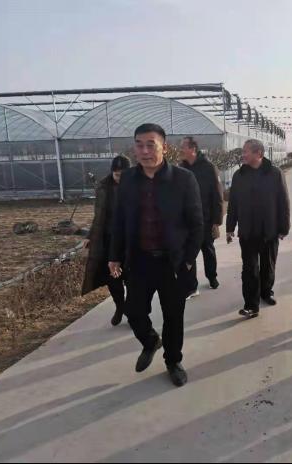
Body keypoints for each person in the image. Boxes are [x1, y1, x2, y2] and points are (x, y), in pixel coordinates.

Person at [109, 123, 204, 387]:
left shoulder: (183, 179)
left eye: (151, 145)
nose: (144, 151)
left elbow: (197, 224)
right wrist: (114, 255)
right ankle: (150, 340)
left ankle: (173, 361)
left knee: (173, 316)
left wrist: (188, 260)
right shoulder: (128, 179)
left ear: (165, 147)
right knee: (133, 311)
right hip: (139, 260)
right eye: (139, 145)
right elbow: (119, 220)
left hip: (172, 262)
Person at [226, 139, 290, 318]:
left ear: (259, 153)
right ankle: (251, 305)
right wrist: (230, 227)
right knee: (249, 269)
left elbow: (283, 202)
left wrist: (283, 228)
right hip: (247, 230)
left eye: (246, 151)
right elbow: (233, 204)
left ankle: (266, 292)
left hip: (269, 230)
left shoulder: (275, 173)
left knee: (268, 266)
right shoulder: (239, 175)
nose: (243, 154)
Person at [82, 155, 131, 326]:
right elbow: (99, 216)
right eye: (116, 175)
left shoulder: (136, 186)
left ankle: (132, 310)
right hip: (109, 239)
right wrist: (90, 236)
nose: (119, 178)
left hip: (130, 239)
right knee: (112, 277)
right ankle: (120, 306)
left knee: (132, 277)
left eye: (122, 175)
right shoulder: (104, 187)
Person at [179, 136, 224, 296]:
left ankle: (212, 277)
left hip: (206, 219)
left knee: (208, 249)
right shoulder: (181, 169)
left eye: (183, 147)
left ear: (193, 149)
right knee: (189, 253)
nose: (180, 150)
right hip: (187, 220)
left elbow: (217, 195)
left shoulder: (209, 167)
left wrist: (217, 221)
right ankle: (192, 287)